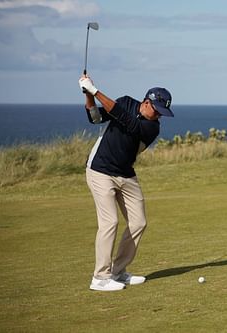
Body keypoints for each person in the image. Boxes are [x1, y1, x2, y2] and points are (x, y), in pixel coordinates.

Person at [79, 74, 174, 291]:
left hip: (125, 173)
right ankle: (100, 277)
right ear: (146, 102)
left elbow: (126, 120)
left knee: (139, 222)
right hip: (100, 170)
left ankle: (117, 271)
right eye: (157, 110)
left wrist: (95, 90)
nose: (158, 115)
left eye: (162, 113)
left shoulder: (152, 128)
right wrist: (88, 95)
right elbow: (95, 118)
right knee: (109, 222)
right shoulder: (125, 102)